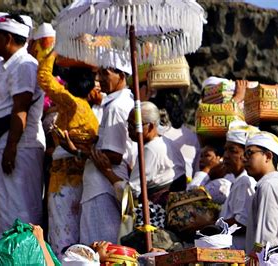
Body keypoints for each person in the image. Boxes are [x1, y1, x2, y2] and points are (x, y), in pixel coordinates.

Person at [0, 13, 45, 239]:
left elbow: (20, 108)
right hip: (8, 146)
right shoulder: (14, 65)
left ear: (7, 38)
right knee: (5, 211)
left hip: (19, 148)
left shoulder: (24, 65)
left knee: (17, 213)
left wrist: (11, 148)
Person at [37, 51, 99, 255]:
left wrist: (53, 51)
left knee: (61, 233)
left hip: (62, 180)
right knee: (76, 233)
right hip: (82, 179)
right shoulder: (90, 114)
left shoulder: (69, 103)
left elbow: (44, 78)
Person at [79, 57, 135, 245]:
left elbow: (114, 155)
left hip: (102, 187)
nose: (99, 78)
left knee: (100, 246)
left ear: (121, 75)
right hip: (103, 185)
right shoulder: (118, 102)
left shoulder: (116, 107)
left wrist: (78, 150)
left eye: (105, 73)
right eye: (99, 72)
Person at [91, 101, 187, 207]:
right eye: (128, 124)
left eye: (134, 125)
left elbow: (132, 193)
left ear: (150, 126)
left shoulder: (151, 149)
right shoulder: (166, 142)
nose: (129, 129)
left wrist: (108, 171)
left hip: (160, 210)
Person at [244, 131, 278, 254]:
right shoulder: (267, 184)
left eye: (249, 153)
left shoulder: (269, 186)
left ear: (267, 156)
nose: (244, 158)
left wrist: (256, 259)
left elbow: (264, 238)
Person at [219, 120, 259, 250]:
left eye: (232, 151)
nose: (225, 156)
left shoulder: (244, 181)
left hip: (237, 255)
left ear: (246, 154)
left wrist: (209, 226)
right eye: (225, 150)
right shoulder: (238, 181)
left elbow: (242, 223)